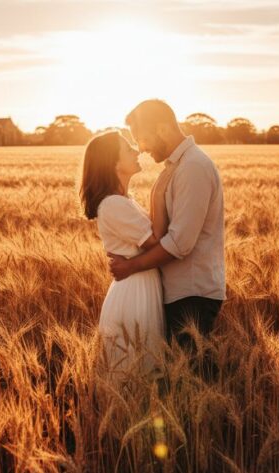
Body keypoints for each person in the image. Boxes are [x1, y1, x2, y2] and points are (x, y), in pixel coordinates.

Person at [108, 99, 226, 354]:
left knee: (193, 382)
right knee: (185, 381)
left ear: (162, 128)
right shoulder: (177, 167)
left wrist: (130, 266)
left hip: (193, 294)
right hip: (182, 293)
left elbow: (180, 243)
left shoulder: (192, 167)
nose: (141, 148)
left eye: (142, 138)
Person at [80, 130, 165, 382]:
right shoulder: (114, 205)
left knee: (142, 372)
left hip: (141, 285)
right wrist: (160, 194)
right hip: (134, 295)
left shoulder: (124, 201)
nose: (137, 150)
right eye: (128, 149)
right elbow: (157, 242)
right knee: (134, 374)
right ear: (113, 163)